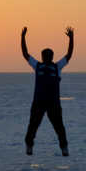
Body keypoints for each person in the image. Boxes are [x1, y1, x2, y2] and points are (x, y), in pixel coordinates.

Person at [21, 26, 73, 156]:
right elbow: (25, 54)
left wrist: (22, 38)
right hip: (43, 102)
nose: (47, 57)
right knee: (35, 125)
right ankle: (30, 145)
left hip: (50, 103)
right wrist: (22, 38)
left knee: (56, 127)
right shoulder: (46, 66)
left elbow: (25, 54)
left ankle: (63, 147)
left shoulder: (53, 66)